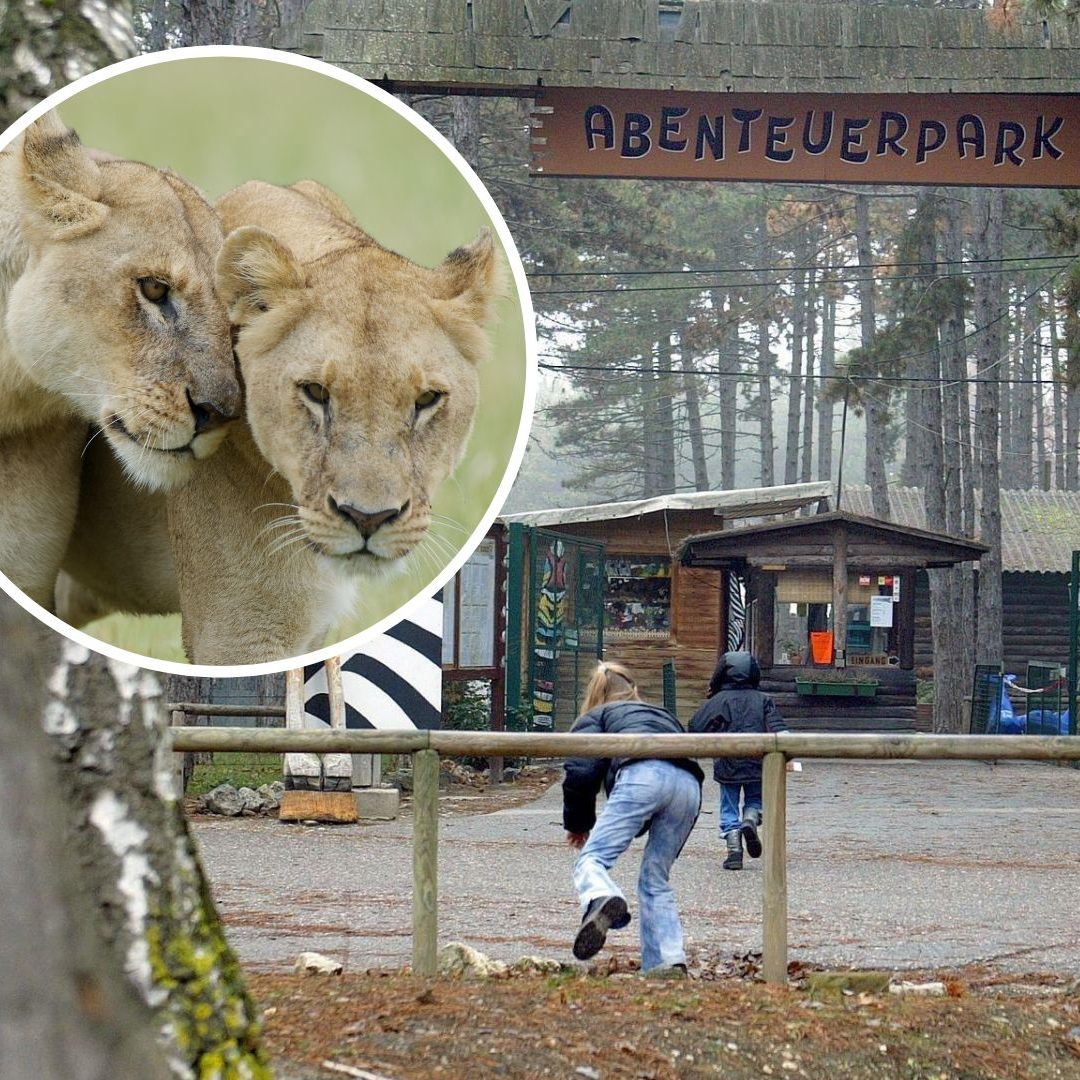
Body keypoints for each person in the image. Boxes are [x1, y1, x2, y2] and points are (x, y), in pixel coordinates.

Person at [563, 661, 704, 977]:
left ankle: (601, 897)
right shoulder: (663, 714)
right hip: (689, 785)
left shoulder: (596, 716)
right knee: (656, 878)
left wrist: (578, 824)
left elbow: (581, 770)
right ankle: (667, 962)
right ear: (634, 690)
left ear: (596, 693)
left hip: (643, 776)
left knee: (592, 860)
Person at [689, 651, 787, 870]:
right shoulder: (763, 700)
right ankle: (750, 819)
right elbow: (779, 730)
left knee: (728, 804)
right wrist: (788, 755)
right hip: (757, 762)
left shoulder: (719, 701)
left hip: (728, 763)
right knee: (755, 798)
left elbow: (696, 727)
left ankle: (734, 849)